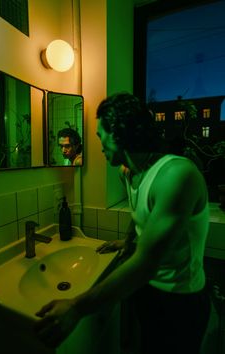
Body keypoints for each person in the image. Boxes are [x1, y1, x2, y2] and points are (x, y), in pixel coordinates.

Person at [35, 92, 211, 353]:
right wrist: (127, 243)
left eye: (100, 136)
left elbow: (146, 264)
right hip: (147, 293)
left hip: (180, 301)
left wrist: (75, 307)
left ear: (118, 132)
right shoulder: (128, 172)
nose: (100, 145)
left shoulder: (176, 175)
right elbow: (140, 219)